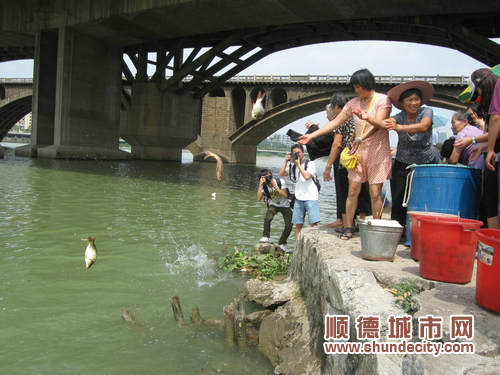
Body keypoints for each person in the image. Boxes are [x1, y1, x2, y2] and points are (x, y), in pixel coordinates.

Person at [298, 69, 392, 240]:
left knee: (375, 192)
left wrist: (362, 132)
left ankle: (377, 230)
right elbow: (335, 123)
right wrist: (312, 135)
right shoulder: (353, 103)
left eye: (358, 87)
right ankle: (349, 227)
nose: (356, 91)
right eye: (354, 87)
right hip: (358, 152)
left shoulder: (382, 100)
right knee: (353, 190)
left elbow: (380, 124)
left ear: (368, 84)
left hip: (377, 151)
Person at [384, 80, 441, 229]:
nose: (414, 103)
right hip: (403, 160)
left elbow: (423, 126)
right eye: (410, 100)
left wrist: (399, 127)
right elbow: (385, 123)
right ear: (402, 103)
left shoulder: (425, 112)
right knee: (399, 195)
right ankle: (398, 227)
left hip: (425, 161)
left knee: (424, 194)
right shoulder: (399, 116)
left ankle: (422, 227)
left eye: (417, 99)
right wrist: (370, 119)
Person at [322, 95, 371, 230]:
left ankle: (345, 223)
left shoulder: (341, 119)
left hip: (347, 159)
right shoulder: (359, 116)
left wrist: (328, 166)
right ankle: (361, 220)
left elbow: (337, 144)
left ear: (337, 107)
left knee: (344, 190)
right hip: (361, 157)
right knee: (360, 190)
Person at [279, 144, 320, 240]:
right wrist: (286, 161)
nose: (297, 155)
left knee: (313, 224)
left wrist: (298, 164)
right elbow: (281, 174)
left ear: (303, 153)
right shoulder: (293, 167)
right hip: (298, 198)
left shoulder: (310, 163)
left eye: (299, 152)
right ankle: (297, 248)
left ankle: (314, 244)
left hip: (311, 198)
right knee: (298, 225)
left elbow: (307, 176)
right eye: (295, 153)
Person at [257, 169, 293, 252]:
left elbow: (285, 195)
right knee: (267, 218)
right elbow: (259, 198)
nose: (268, 178)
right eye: (265, 177)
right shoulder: (263, 186)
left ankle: (282, 243)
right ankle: (266, 236)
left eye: (269, 176)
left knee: (289, 225)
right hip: (274, 205)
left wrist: (275, 187)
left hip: (285, 205)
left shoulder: (280, 181)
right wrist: (260, 185)